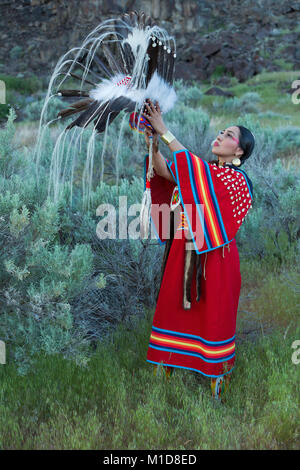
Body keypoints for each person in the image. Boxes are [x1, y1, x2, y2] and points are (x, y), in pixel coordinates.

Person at [142, 98, 255, 402]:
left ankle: (216, 377)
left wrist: (164, 129)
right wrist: (153, 141)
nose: (220, 136)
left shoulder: (237, 181)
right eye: (220, 131)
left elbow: (197, 175)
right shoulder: (201, 174)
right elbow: (166, 172)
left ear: (240, 151)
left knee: (213, 316)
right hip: (183, 251)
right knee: (173, 309)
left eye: (229, 135)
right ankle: (169, 361)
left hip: (215, 260)